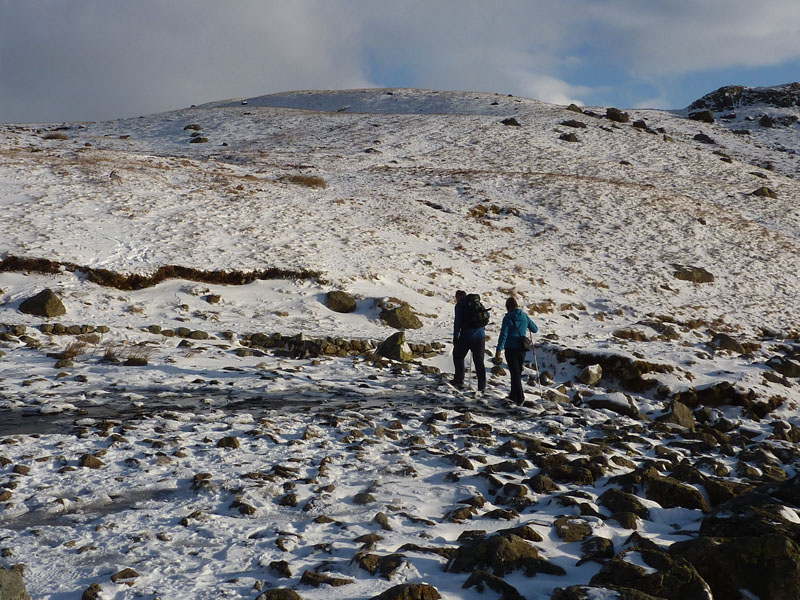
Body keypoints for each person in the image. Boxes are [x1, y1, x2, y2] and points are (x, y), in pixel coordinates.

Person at [495, 297, 538, 404]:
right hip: (522, 348)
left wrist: (499, 350)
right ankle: (513, 395)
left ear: (508, 307)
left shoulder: (508, 317)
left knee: (514, 373)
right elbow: (535, 329)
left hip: (510, 348)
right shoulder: (524, 316)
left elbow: (503, 334)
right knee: (517, 372)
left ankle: (519, 397)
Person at [451, 289, 486, 392]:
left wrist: (455, 336)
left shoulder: (459, 306)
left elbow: (457, 322)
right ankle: (482, 386)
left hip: (466, 336)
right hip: (480, 336)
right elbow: (486, 316)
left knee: (458, 356)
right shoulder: (477, 303)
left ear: (457, 297)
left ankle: (459, 379)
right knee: (479, 362)